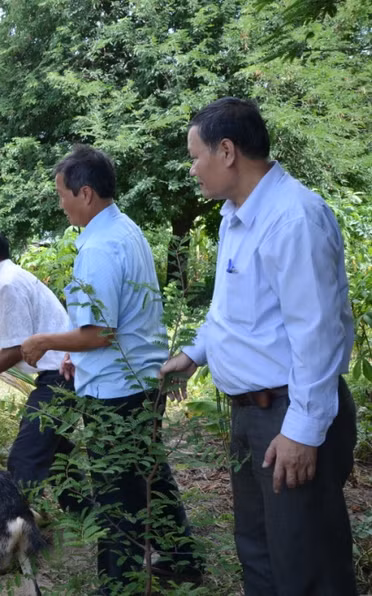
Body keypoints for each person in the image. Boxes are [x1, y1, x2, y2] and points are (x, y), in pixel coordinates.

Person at [160, 97, 357, 595]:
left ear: (226, 151)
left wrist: (304, 433)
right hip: (252, 414)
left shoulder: (293, 219)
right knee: (259, 552)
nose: (192, 169)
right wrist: (194, 353)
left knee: (306, 564)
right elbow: (232, 313)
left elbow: (318, 333)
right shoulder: (235, 215)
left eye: (195, 155)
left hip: (289, 413)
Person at [20, 145, 201, 592]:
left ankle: (117, 584)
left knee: (116, 491)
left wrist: (44, 340)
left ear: (85, 193)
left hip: (117, 392)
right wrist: (73, 353)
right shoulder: (125, 229)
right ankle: (182, 559)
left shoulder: (99, 247)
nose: (59, 203)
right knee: (148, 475)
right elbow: (108, 326)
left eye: (62, 194)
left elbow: (100, 333)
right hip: (141, 380)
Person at [0, 227, 85, 513]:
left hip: (61, 375)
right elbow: (10, 341)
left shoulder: (7, 284)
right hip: (61, 373)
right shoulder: (6, 281)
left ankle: (9, 528)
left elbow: (12, 352)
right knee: (55, 452)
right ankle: (83, 512)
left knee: (25, 459)